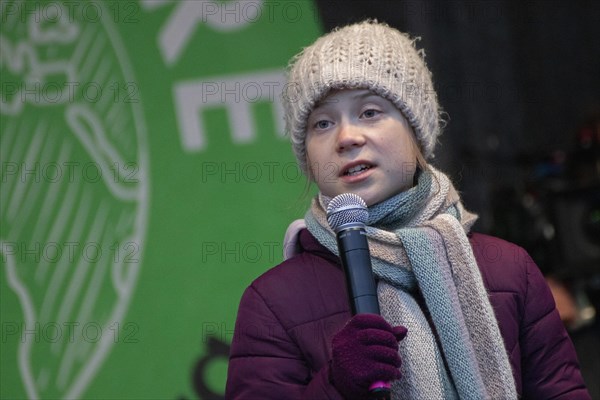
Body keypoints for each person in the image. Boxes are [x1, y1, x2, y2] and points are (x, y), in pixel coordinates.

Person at [225, 20, 591, 399]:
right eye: (322, 123)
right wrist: (335, 387)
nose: (347, 137)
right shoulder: (272, 303)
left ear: (416, 131)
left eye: (369, 111)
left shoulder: (510, 270)